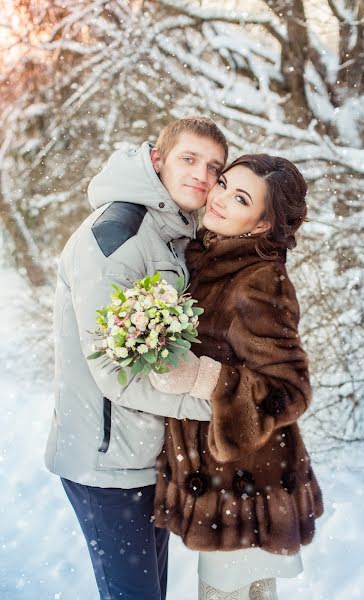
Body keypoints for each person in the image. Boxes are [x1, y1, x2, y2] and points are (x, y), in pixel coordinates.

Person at [44, 116, 228, 600]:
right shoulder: (118, 239)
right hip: (106, 464)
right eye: (189, 159)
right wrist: (225, 407)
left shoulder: (168, 233)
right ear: (157, 160)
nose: (202, 176)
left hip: (143, 456)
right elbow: (119, 373)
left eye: (214, 167)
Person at [150, 154, 324, 600]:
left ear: (263, 225)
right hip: (222, 480)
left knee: (225, 593)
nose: (221, 197)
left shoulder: (260, 281)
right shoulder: (206, 255)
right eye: (224, 183)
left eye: (241, 197)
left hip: (246, 484)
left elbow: (291, 390)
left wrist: (204, 377)